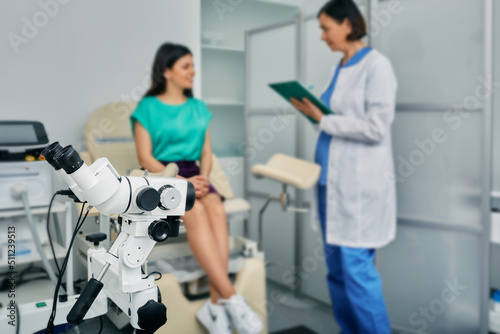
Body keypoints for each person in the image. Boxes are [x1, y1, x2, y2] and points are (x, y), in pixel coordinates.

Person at [130, 43, 263, 334]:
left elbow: (206, 152)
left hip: (195, 171)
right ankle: (231, 298)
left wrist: (201, 179)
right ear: (166, 71)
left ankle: (215, 307)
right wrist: (179, 182)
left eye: (193, 65)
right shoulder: (147, 108)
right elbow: (144, 157)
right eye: (186, 66)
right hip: (162, 173)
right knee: (197, 213)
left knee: (216, 210)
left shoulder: (197, 108)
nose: (193, 71)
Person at [291, 1, 397, 333]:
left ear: (348, 25)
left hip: (358, 187)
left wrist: (325, 120)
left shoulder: (377, 66)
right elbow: (331, 124)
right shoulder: (340, 67)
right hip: (328, 184)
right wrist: (314, 116)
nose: (322, 36)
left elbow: (376, 127)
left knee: (357, 273)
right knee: (336, 272)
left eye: (326, 28)